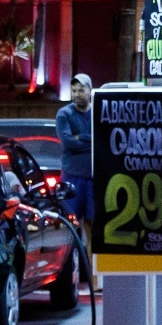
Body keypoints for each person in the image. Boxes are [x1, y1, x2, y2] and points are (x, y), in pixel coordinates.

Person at [55, 74, 94, 229]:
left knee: (92, 226)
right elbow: (68, 143)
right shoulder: (64, 114)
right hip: (72, 178)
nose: (76, 94)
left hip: (92, 179)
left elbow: (102, 139)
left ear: (90, 91)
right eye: (74, 91)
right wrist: (92, 140)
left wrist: (81, 137)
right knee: (70, 225)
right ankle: (70, 254)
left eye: (81, 90)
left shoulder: (97, 111)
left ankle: (89, 254)